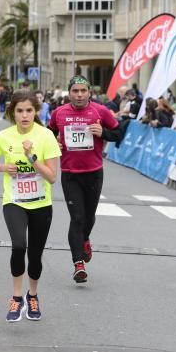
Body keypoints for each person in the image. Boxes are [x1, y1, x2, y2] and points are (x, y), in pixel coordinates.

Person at [0, 90, 61, 322]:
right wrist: (3, 168)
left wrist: (32, 157)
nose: (25, 115)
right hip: (14, 201)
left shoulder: (46, 136)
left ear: (35, 112)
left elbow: (52, 177)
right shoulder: (3, 136)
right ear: (13, 113)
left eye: (29, 110)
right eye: (20, 111)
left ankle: (32, 295)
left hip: (41, 204)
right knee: (19, 246)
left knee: (35, 255)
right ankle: (16, 297)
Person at [48, 76, 121, 283]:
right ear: (68, 93)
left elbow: (118, 133)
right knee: (77, 218)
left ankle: (85, 239)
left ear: (89, 92)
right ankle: (78, 264)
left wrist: (103, 132)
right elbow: (48, 134)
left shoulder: (100, 111)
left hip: (94, 173)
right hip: (70, 174)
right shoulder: (59, 113)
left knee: (89, 218)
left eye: (82, 91)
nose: (79, 95)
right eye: (75, 91)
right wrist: (54, 143)